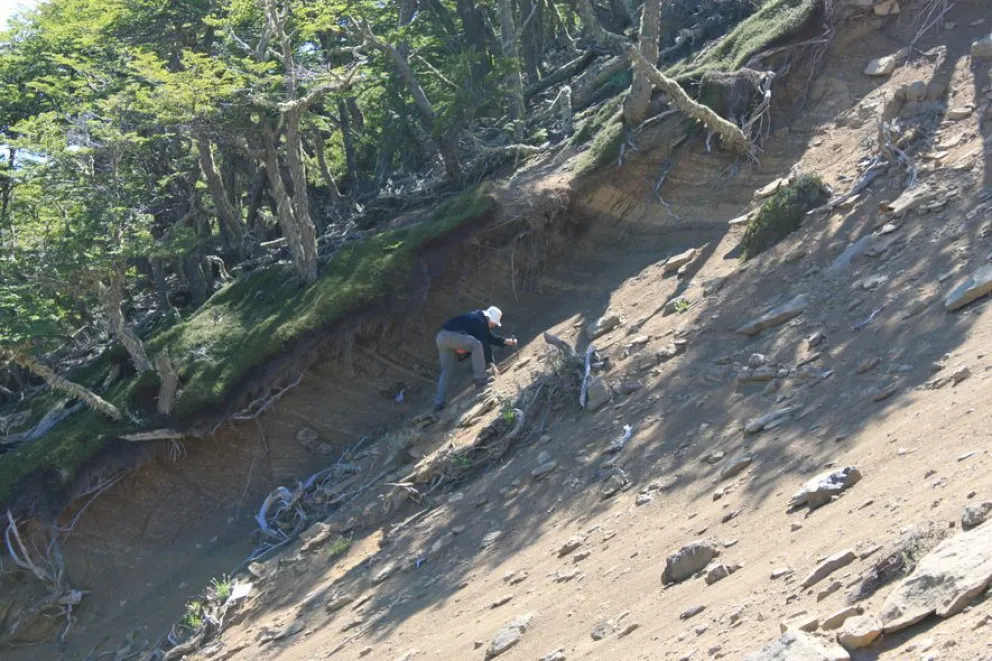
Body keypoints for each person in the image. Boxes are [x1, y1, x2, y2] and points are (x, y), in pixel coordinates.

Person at [433, 305, 518, 411]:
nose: (493, 326)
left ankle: (439, 402)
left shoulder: (478, 319)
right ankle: (480, 378)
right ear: (488, 318)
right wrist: (492, 364)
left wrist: (506, 341)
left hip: (441, 338)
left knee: (446, 370)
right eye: (493, 323)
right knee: (477, 344)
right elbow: (484, 343)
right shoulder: (479, 321)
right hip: (451, 336)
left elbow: (489, 337)